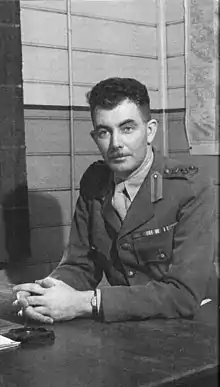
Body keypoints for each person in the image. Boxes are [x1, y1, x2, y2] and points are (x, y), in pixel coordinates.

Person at [13, 77, 217, 324]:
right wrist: (43, 294)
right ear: (94, 136)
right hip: (126, 326)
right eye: (104, 132)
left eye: (127, 128)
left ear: (150, 131)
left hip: (193, 326)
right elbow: (80, 265)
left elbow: (183, 294)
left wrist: (84, 302)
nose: (116, 143)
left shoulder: (190, 187)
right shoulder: (95, 182)